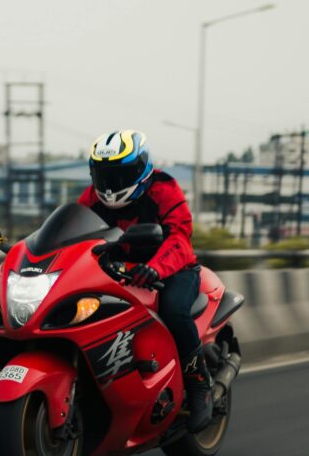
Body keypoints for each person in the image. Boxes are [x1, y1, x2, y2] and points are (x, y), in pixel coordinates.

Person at [78, 128, 214, 432]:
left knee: (175, 311)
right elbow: (72, 232)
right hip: (120, 270)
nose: (110, 185)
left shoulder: (164, 188)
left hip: (173, 271)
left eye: (119, 175)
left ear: (140, 169)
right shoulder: (91, 198)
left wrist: (155, 268)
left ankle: (199, 385)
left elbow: (180, 237)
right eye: (103, 176)